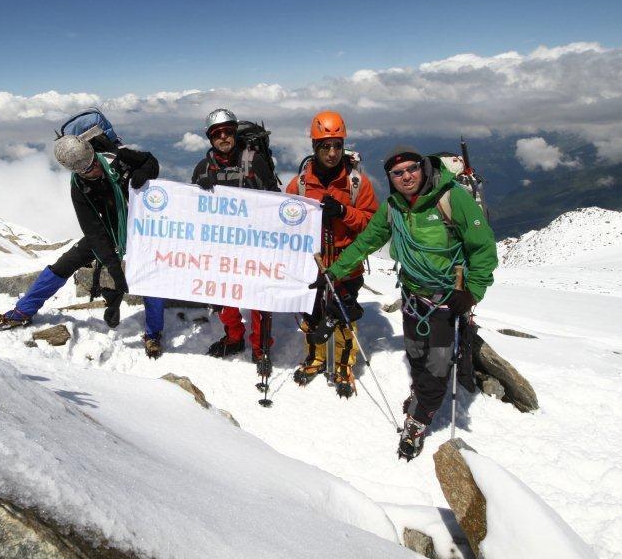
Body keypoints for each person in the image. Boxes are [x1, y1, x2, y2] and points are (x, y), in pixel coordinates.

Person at [320, 145, 497, 460]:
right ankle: (421, 395)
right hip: (413, 296)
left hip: (448, 297)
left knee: (438, 366)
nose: (406, 177)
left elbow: (482, 246)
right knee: (416, 355)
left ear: (423, 167)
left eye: (412, 169)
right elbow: (367, 241)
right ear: (390, 178)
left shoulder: (452, 198)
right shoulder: (393, 208)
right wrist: (334, 272)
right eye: (397, 173)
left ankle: (417, 421)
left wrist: (472, 291)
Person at [0, 129, 167, 359]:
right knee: (65, 264)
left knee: (150, 273)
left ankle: (153, 334)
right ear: (76, 171)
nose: (94, 169)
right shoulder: (80, 188)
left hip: (144, 226)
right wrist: (116, 274)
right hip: (110, 229)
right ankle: (22, 311)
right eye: (87, 169)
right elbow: (94, 231)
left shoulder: (116, 157)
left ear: (93, 152)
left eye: (93, 162)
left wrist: (144, 172)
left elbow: (150, 161)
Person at [285, 111, 378, 397]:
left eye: (337, 145)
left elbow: (372, 225)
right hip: (311, 264)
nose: (332, 152)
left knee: (342, 318)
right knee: (312, 315)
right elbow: (286, 220)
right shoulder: (300, 184)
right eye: (326, 146)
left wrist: (344, 212)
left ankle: (342, 365)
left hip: (346, 264)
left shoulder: (356, 184)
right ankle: (315, 358)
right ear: (315, 147)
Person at [191, 108, 280, 367]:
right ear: (210, 138)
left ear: (235, 132)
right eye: (217, 133)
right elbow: (190, 210)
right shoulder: (203, 169)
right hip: (220, 247)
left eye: (228, 131)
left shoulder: (254, 162)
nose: (223, 137)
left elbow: (274, 199)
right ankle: (233, 336)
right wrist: (200, 193)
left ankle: (260, 347)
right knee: (223, 295)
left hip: (255, 244)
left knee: (259, 297)